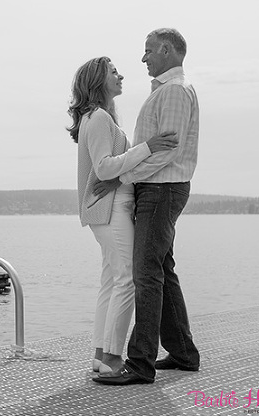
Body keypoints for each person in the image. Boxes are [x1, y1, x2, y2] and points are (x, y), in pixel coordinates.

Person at [93, 28, 201, 386]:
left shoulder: (173, 92)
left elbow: (166, 150)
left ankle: (140, 363)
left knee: (146, 275)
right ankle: (184, 352)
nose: (144, 58)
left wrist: (123, 178)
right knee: (162, 270)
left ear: (167, 50)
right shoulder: (169, 90)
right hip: (160, 189)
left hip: (161, 190)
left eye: (149, 50)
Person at [67, 56, 177, 374]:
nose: (121, 76)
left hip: (106, 209)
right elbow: (104, 168)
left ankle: (102, 354)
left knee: (110, 281)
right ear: (98, 80)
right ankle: (113, 357)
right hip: (112, 207)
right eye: (114, 72)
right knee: (126, 279)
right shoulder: (99, 117)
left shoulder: (96, 116)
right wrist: (148, 147)